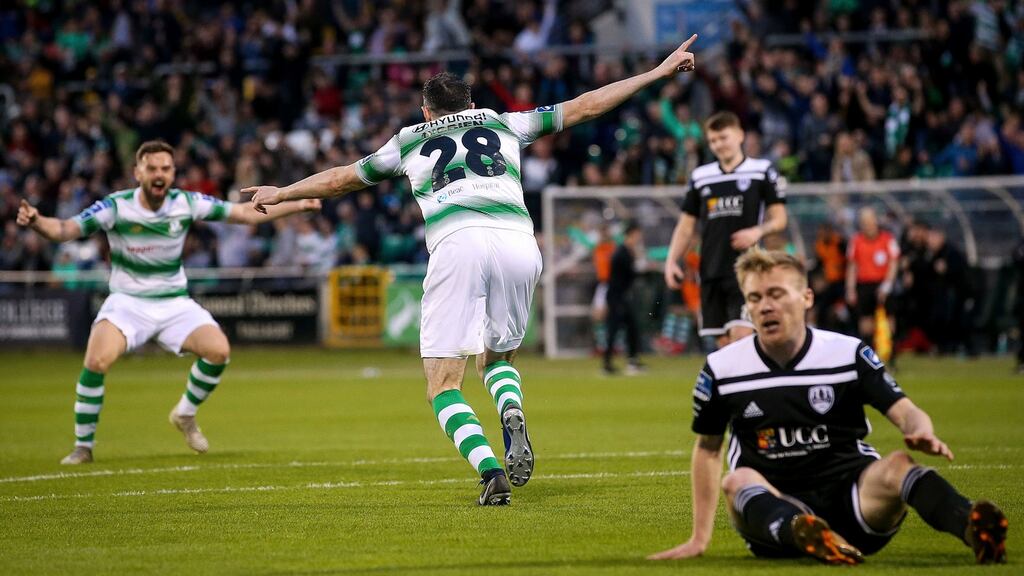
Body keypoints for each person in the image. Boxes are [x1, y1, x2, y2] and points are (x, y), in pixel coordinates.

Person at [244, 34, 700, 505]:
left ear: (426, 112)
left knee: (442, 383)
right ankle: (510, 407)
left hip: (457, 242)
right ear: (472, 104)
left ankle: (489, 471)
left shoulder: (408, 141)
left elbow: (341, 178)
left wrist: (282, 192)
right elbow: (585, 106)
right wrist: (655, 73)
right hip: (520, 241)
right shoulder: (504, 123)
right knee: (497, 359)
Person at [649, 248, 1008, 565]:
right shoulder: (723, 368)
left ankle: (974, 526)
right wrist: (699, 537)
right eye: (754, 298)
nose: (765, 306)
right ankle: (805, 533)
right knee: (738, 479)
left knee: (898, 465)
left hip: (854, 500)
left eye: (776, 294)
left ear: (806, 297)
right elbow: (708, 450)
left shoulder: (847, 354)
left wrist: (920, 428)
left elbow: (904, 409)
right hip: (772, 512)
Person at [16, 140, 320, 465]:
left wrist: (296, 203)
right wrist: (37, 221)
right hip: (127, 303)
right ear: (138, 172)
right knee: (96, 362)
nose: (159, 174)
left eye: (166, 168)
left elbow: (246, 213)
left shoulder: (186, 202)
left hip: (174, 302)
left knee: (218, 352)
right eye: (152, 168)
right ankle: (83, 446)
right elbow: (65, 229)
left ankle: (185, 415)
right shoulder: (116, 207)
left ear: (173, 173)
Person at [664, 111, 788, 350]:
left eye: (723, 138)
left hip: (746, 269)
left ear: (740, 135)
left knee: (741, 337)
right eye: (713, 141)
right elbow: (686, 225)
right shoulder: (701, 177)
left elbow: (780, 218)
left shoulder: (761, 171)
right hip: (710, 270)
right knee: (723, 345)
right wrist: (671, 261)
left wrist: (758, 232)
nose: (718, 145)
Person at [846, 207, 899, 346]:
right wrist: (850, 289)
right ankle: (869, 352)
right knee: (865, 321)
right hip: (864, 284)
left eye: (869, 221)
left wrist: (887, 285)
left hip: (883, 283)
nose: (867, 225)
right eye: (864, 222)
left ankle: (890, 355)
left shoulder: (887, 239)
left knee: (888, 319)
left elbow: (894, 263)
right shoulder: (856, 241)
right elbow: (852, 266)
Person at [603, 222, 645, 375]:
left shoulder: (625, 251)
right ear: (632, 234)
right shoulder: (622, 253)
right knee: (614, 329)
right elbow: (628, 274)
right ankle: (607, 363)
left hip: (621, 297)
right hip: (617, 297)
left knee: (632, 328)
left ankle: (632, 360)